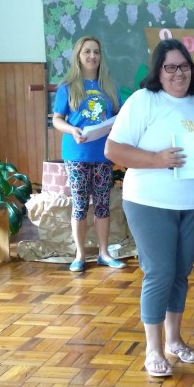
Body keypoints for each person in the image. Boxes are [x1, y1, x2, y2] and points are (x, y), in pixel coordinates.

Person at [105, 39, 194, 378]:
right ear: (158, 71)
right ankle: (152, 348)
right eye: (170, 67)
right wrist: (156, 159)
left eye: (184, 66)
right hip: (149, 202)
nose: (179, 73)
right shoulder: (143, 101)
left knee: (180, 273)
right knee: (159, 272)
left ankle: (174, 340)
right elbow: (112, 150)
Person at [52, 35, 126, 272]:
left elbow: (119, 116)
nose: (92, 56)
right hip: (77, 155)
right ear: (78, 56)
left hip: (103, 154)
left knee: (103, 204)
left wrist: (116, 125)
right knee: (80, 205)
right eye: (87, 52)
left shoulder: (110, 86)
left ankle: (104, 253)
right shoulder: (67, 86)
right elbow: (57, 119)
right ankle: (80, 255)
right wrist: (71, 129)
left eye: (96, 51)